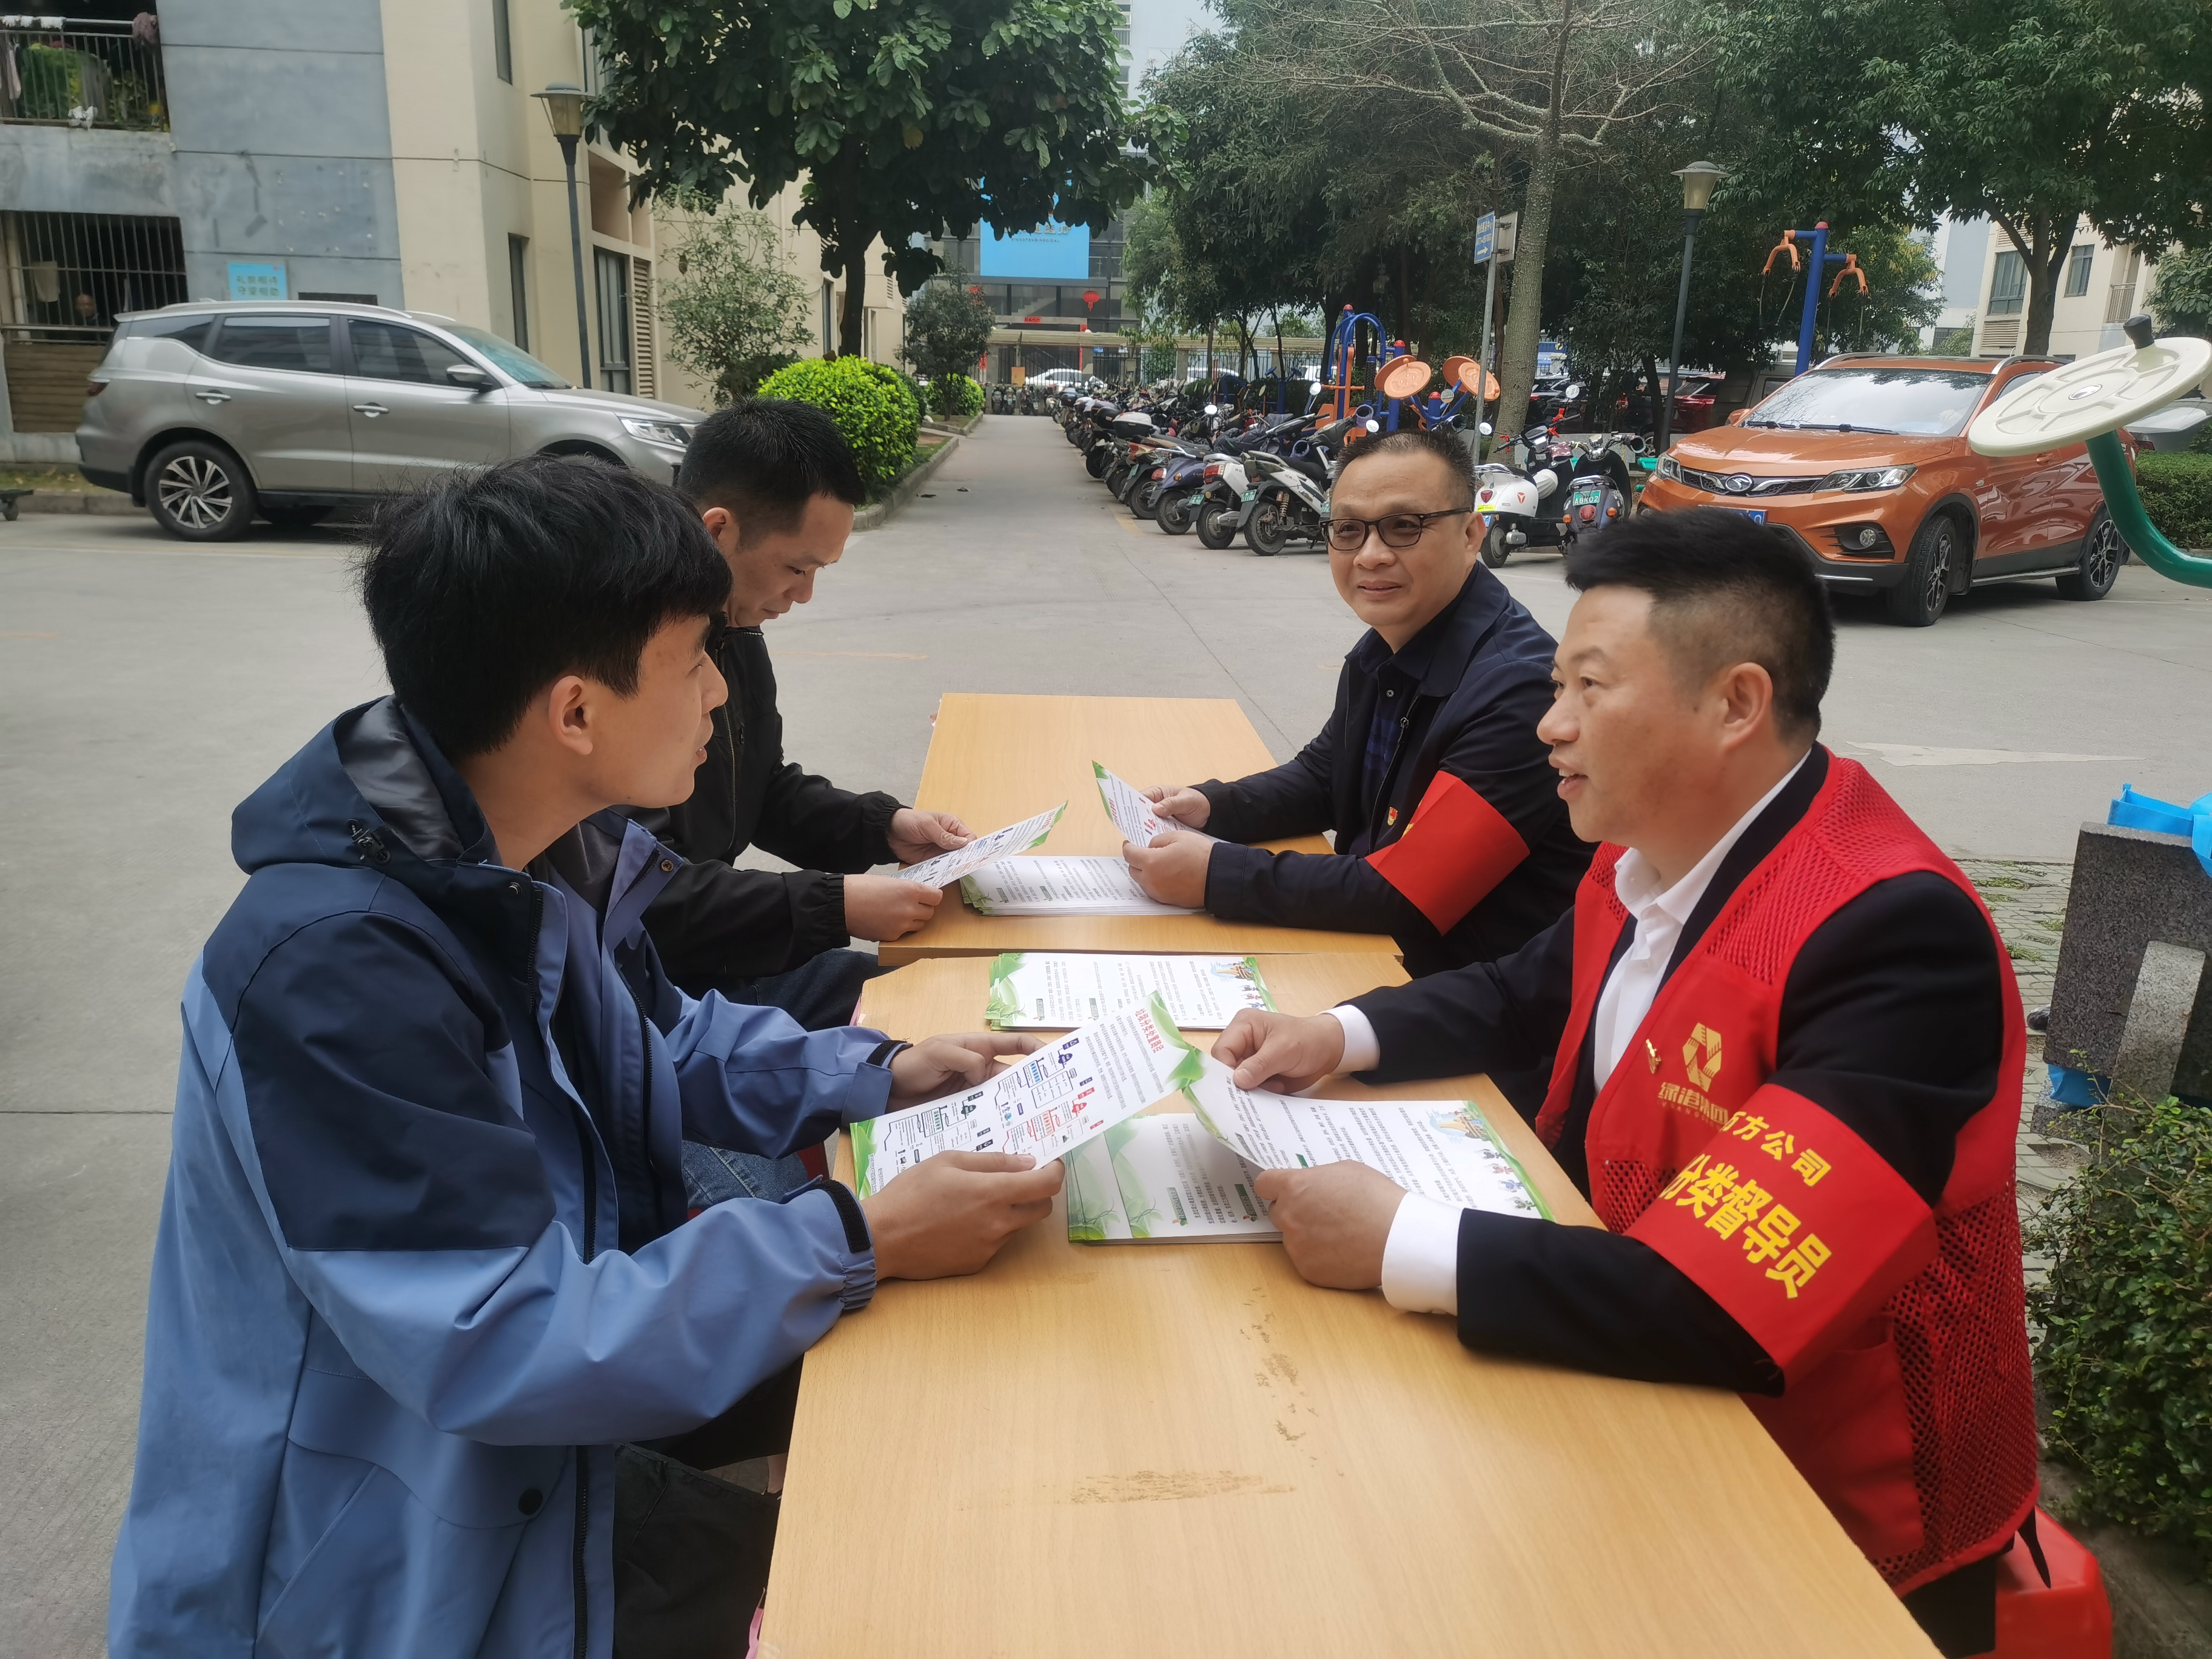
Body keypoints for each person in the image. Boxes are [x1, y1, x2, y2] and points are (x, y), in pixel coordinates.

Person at [109, 457, 1064, 1658]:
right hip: (382, 1561)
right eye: (694, 661)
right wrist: (858, 1236)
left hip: (525, 1451)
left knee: (925, 1451)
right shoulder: (335, 973)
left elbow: (657, 1039)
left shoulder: (537, 847)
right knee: (880, 1587)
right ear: (575, 713)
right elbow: (501, 1341)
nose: (719, 692)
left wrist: (879, 1071)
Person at [1210, 508, 2035, 1657]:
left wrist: (1398, 1237)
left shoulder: (1891, 934)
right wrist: (1334, 1034)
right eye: (1558, 684)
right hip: (1629, 1377)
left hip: (1829, 1506)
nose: (1549, 724)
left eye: (1589, 688)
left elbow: (1727, 1299)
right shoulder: (1651, 851)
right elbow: (1522, 993)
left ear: (1735, 704)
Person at [1124, 425, 1590, 1000]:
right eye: (1348, 530)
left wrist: (1218, 874)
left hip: (1460, 999)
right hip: (1376, 956)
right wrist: (1213, 806)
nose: (1371, 555)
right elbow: (1326, 776)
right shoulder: (1388, 644)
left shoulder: (1518, 692)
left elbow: (1411, 891)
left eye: (1404, 526)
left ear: (1472, 534)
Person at [636, 397, 969, 1036]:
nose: (806, 595)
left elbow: (759, 789)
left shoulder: (732, 627)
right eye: (797, 567)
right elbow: (642, 893)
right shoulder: (630, 656)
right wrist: (833, 906)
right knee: (914, 1024)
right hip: (658, 995)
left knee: (936, 999)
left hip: (717, 957)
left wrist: (884, 827)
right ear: (717, 530)